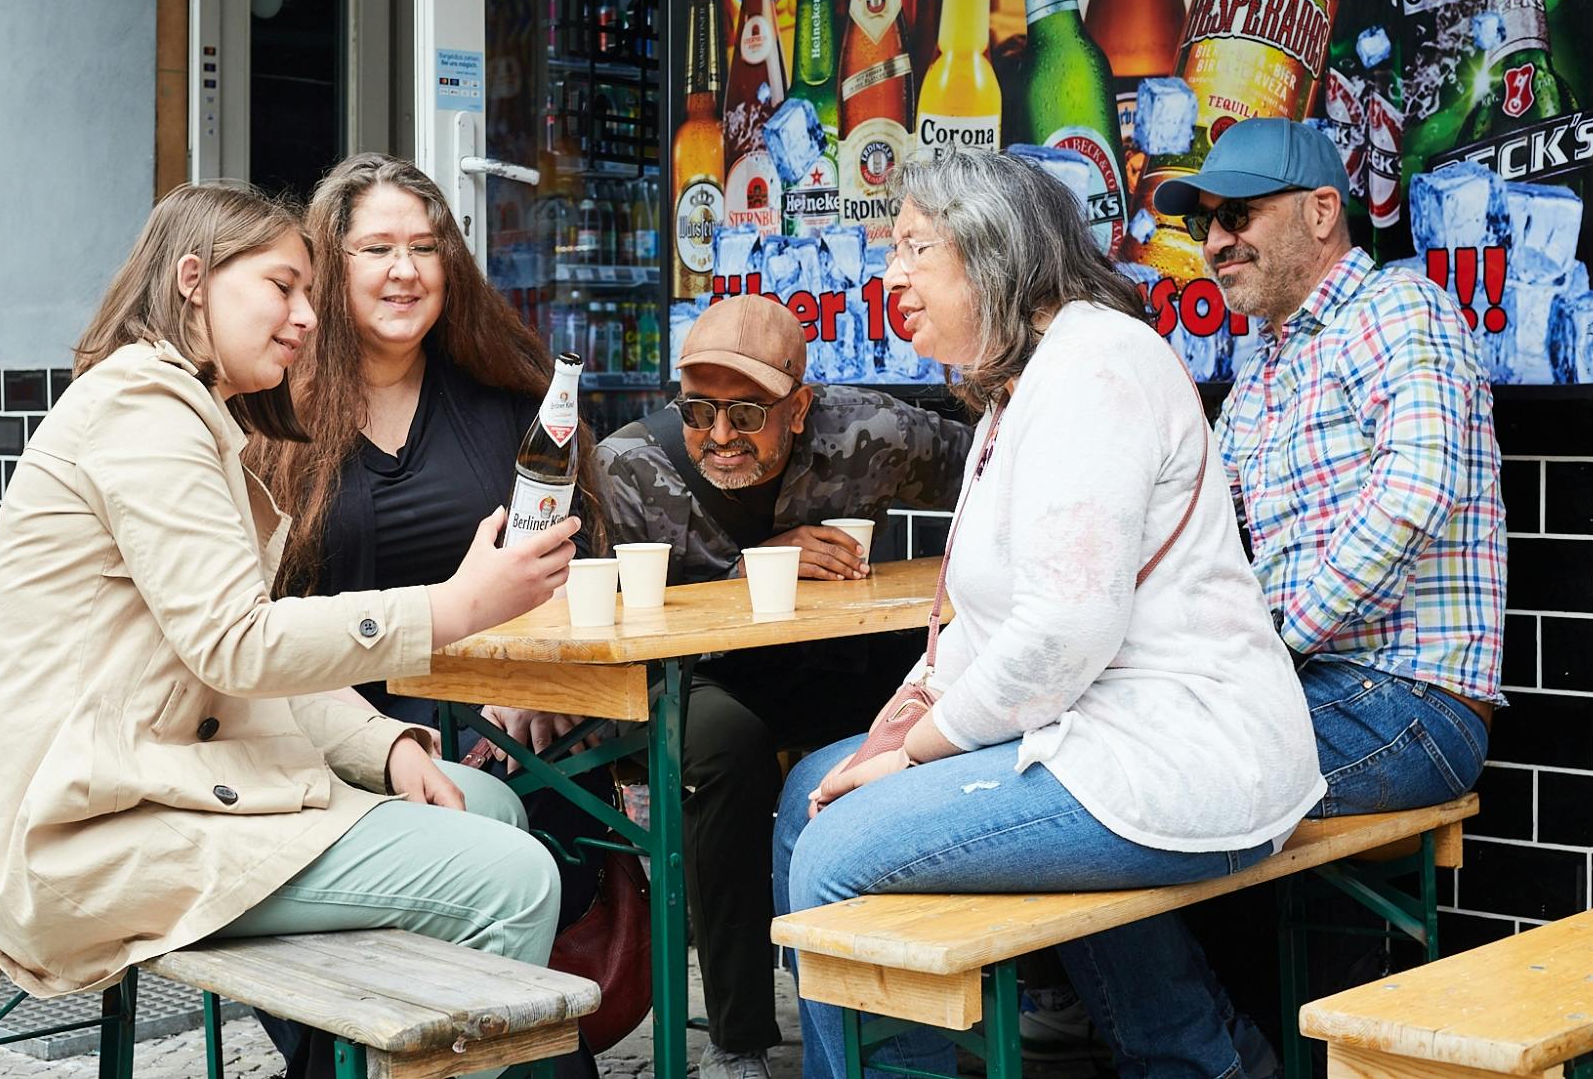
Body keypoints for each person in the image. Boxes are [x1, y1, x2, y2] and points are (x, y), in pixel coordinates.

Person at [0, 183, 579, 1079]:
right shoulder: (146, 415)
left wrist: (389, 745)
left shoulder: (181, 414)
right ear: (195, 279)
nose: (309, 317)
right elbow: (240, 644)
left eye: (312, 293)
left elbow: (234, 652)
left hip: (146, 793)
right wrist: (454, 607)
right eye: (285, 286)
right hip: (91, 829)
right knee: (515, 875)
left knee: (494, 806)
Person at [770, 150, 1327, 1079]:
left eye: (916, 246)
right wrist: (900, 723)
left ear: (991, 250)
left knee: (837, 853)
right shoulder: (1017, 391)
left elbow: (1064, 629)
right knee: (810, 792)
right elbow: (987, 623)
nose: (891, 273)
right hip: (1086, 735)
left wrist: (912, 754)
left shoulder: (1095, 365)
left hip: (1176, 749)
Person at [1069, 117, 1505, 1067]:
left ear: (1320, 212)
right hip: (1298, 691)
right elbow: (1202, 541)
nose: (1218, 239)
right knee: (1082, 770)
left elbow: (1414, 491)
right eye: (1207, 223)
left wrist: (1268, 646)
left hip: (1409, 702)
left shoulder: (1400, 309)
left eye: (1241, 215)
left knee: (1103, 807)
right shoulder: (1259, 363)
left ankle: (1205, 1062)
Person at [249, 153, 615, 1075]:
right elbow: (242, 625)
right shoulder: (269, 416)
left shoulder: (508, 407)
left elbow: (580, 564)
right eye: (376, 247)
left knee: (514, 840)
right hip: (315, 742)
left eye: (425, 246)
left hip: (500, 736)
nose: (404, 269)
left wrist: (542, 681)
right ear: (329, 266)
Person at [595, 293, 972, 1079]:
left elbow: (999, 472)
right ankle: (737, 1042)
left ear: (800, 407)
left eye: (746, 412)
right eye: (698, 410)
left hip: (837, 671)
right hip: (701, 683)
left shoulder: (879, 433)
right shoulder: (630, 464)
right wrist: (751, 566)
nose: (720, 434)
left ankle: (994, 989)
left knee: (950, 701)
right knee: (720, 747)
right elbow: (589, 601)